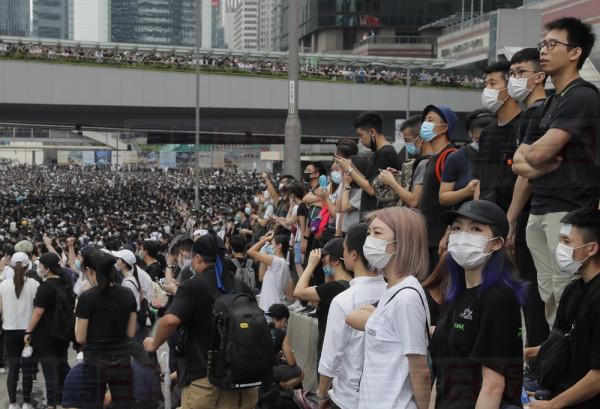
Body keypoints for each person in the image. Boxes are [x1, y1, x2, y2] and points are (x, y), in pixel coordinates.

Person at [515, 17, 600, 327]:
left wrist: (534, 160)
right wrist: (536, 165)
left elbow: (536, 153)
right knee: (547, 291)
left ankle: (571, 364)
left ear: (575, 52)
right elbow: (519, 162)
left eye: (553, 44)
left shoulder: (582, 96)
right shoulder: (550, 102)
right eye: (542, 44)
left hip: (568, 210)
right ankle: (555, 360)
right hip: (540, 208)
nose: (544, 51)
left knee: (566, 290)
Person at [143, 233, 259, 409]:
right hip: (238, 378)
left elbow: (170, 321)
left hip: (203, 378)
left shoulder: (192, 286)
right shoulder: (239, 285)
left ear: (198, 258)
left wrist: (154, 344)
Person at [429, 200, 526, 408]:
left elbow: (493, 386)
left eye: (475, 229)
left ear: (497, 243)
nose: (463, 235)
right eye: (456, 228)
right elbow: (441, 376)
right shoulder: (455, 294)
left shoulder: (499, 298)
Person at [352, 207, 432, 409]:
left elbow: (419, 369)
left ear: (402, 242)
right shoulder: (391, 289)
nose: (369, 240)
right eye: (369, 233)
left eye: (378, 233)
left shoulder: (407, 297)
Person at [527, 208, 600, 409]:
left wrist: (554, 405)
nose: (559, 248)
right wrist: (522, 353)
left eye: (567, 242)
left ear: (591, 248)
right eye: (560, 240)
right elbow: (562, 344)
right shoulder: (573, 290)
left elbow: (597, 377)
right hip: (560, 393)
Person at [508, 47, 551, 350]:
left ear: (539, 76)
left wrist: (510, 220)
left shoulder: (537, 112)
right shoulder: (535, 112)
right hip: (539, 213)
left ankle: (539, 356)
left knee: (536, 292)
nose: (514, 79)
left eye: (520, 72)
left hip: (536, 213)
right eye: (511, 74)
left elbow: (525, 174)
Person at [316, 224, 386, 409]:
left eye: (345, 249)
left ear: (353, 255)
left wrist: (321, 394)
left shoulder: (343, 300)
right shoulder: (392, 291)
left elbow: (331, 358)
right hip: (382, 396)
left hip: (348, 397)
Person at [61, 250, 137, 409]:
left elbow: (80, 338)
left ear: (89, 270)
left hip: (94, 361)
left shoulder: (86, 298)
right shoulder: (127, 293)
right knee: (125, 404)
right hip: (122, 359)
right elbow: (130, 332)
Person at [24, 252, 74, 409]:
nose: (38, 268)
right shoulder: (66, 284)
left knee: (49, 371)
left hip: (46, 335)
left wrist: (28, 331)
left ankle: (52, 403)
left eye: (40, 266)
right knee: (61, 364)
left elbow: (38, 312)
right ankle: (66, 398)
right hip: (63, 333)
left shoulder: (45, 288)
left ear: (47, 269)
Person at [417, 104, 459, 271]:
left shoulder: (449, 156)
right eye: (424, 120)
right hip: (428, 237)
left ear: (444, 127)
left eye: (430, 120)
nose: (425, 124)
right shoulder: (433, 158)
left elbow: (453, 200)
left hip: (440, 238)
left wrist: (448, 234)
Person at [334, 111, 402, 215]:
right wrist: (350, 165)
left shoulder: (386, 153)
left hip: (378, 217)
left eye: (361, 135)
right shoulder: (378, 153)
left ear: (372, 132)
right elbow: (367, 182)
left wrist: (349, 169)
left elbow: (372, 189)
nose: (360, 140)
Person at [293, 238, 352, 356]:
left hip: (329, 351)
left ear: (335, 261)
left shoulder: (336, 287)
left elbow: (298, 291)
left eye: (324, 258)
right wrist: (327, 271)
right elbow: (327, 286)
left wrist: (310, 265)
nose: (322, 262)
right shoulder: (349, 284)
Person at [0, 252, 39, 409]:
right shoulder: (35, 284)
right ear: (27, 266)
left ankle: (12, 403)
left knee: (13, 369)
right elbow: (38, 309)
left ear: (11, 266)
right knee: (28, 368)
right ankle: (27, 402)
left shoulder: (2, 285)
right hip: (28, 332)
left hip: (9, 331)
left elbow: (1, 310)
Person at [439, 109, 494, 208]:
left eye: (490, 137)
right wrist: (466, 192)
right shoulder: (456, 157)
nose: (485, 142)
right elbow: (443, 197)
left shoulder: (504, 153)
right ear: (470, 134)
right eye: (479, 139)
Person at [113, 248, 152, 342]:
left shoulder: (128, 282)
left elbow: (128, 306)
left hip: (132, 321)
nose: (116, 262)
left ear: (124, 263)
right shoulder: (131, 278)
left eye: (118, 259)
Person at [248, 232, 290, 313]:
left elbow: (251, 251)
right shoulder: (280, 262)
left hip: (272, 307)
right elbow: (261, 278)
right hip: (272, 305)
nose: (270, 246)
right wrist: (263, 255)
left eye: (272, 243)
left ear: (279, 246)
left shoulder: (277, 261)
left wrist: (265, 239)